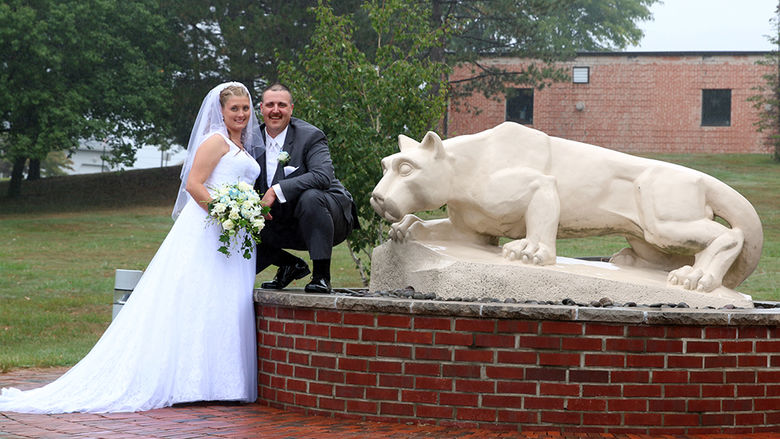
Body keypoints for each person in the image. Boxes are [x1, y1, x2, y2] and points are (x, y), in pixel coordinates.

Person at [0, 82, 264, 413]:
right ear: (221, 111)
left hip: (234, 236)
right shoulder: (216, 142)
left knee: (224, 301)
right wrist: (224, 212)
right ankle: (191, 381)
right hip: (210, 231)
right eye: (234, 109)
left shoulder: (244, 147)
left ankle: (224, 381)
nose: (241, 114)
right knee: (200, 298)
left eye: (245, 108)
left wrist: (244, 214)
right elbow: (194, 185)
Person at [254, 83, 359, 294]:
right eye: (270, 105)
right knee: (237, 215)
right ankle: (289, 264)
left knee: (311, 197)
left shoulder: (310, 136)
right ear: (261, 108)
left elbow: (323, 176)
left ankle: (321, 277)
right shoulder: (250, 140)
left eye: (282, 105)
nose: (276, 110)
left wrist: (275, 190)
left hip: (328, 215)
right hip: (281, 220)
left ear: (291, 109)